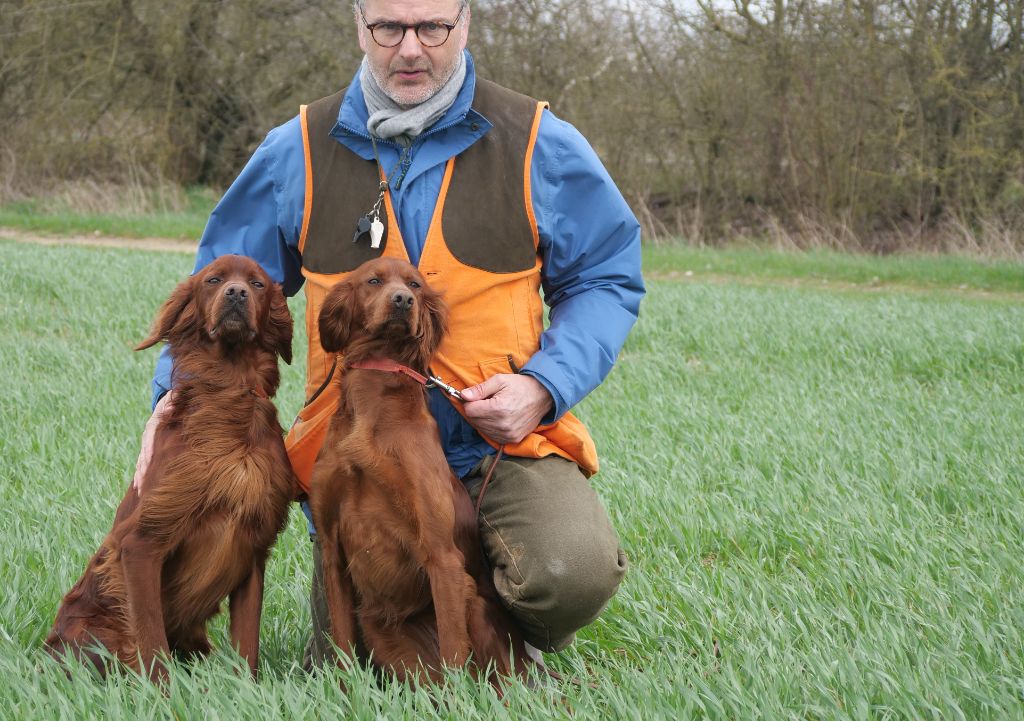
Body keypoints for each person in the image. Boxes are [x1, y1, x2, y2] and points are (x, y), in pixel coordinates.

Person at [135, 0, 645, 670]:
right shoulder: (298, 148)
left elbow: (608, 276)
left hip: (497, 450)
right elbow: (218, 295)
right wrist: (171, 405)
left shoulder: (537, 142)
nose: (410, 48)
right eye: (389, 28)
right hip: (356, 456)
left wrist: (542, 386)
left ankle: (492, 624)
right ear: (359, 26)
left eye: (432, 27)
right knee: (365, 664)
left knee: (566, 568)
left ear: (464, 25)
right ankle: (438, 612)